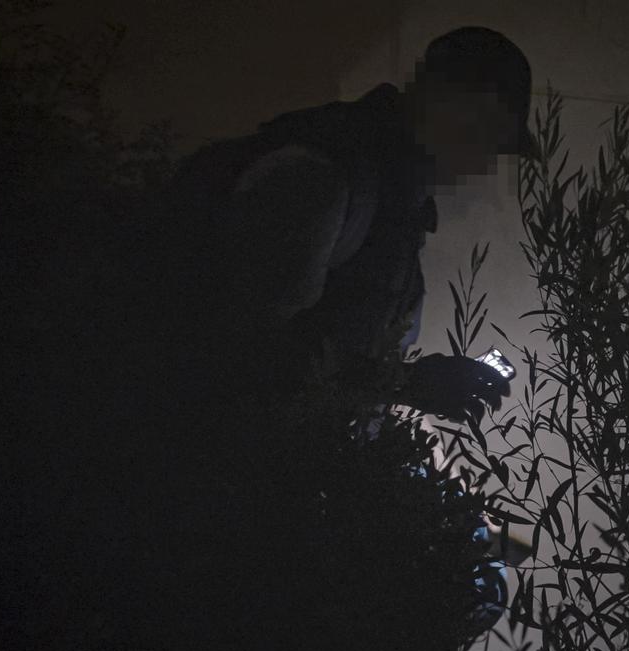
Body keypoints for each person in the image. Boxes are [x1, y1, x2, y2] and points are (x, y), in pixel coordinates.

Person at [156, 26, 537, 424]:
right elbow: (234, 352)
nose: (484, 165)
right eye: (488, 139)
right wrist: (405, 383)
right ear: (448, 106)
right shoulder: (321, 179)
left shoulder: (392, 200)